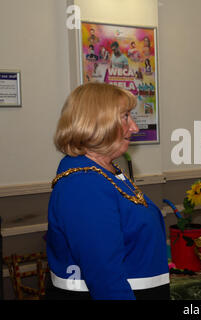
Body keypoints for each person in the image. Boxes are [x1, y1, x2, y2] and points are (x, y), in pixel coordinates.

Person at [46, 83, 169, 300]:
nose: (134, 128)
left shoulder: (106, 172)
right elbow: (105, 279)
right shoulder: (83, 185)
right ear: (97, 123)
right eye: (125, 116)